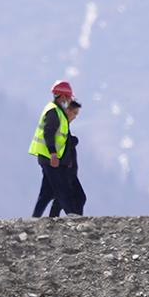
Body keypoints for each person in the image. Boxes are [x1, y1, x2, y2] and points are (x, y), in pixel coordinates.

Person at [29, 80, 74, 218]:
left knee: (47, 192)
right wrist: (53, 154)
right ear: (62, 96)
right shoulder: (53, 112)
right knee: (61, 188)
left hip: (50, 158)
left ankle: (36, 219)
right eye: (68, 96)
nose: (69, 100)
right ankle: (71, 215)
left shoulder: (58, 111)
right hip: (49, 158)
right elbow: (48, 133)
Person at [55, 89, 88, 217]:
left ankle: (55, 220)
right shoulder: (60, 123)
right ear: (67, 110)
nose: (75, 117)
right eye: (74, 113)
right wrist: (73, 141)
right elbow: (60, 143)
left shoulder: (64, 124)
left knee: (65, 198)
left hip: (69, 169)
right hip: (65, 168)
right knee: (78, 197)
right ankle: (76, 222)